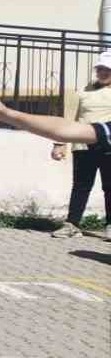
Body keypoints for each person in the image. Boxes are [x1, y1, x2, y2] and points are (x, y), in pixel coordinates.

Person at [52, 52, 111, 238]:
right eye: (100, 69)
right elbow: (69, 119)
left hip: (108, 146)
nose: (103, 73)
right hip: (83, 146)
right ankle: (72, 225)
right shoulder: (83, 92)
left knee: (110, 187)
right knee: (81, 186)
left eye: (107, 70)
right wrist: (59, 143)